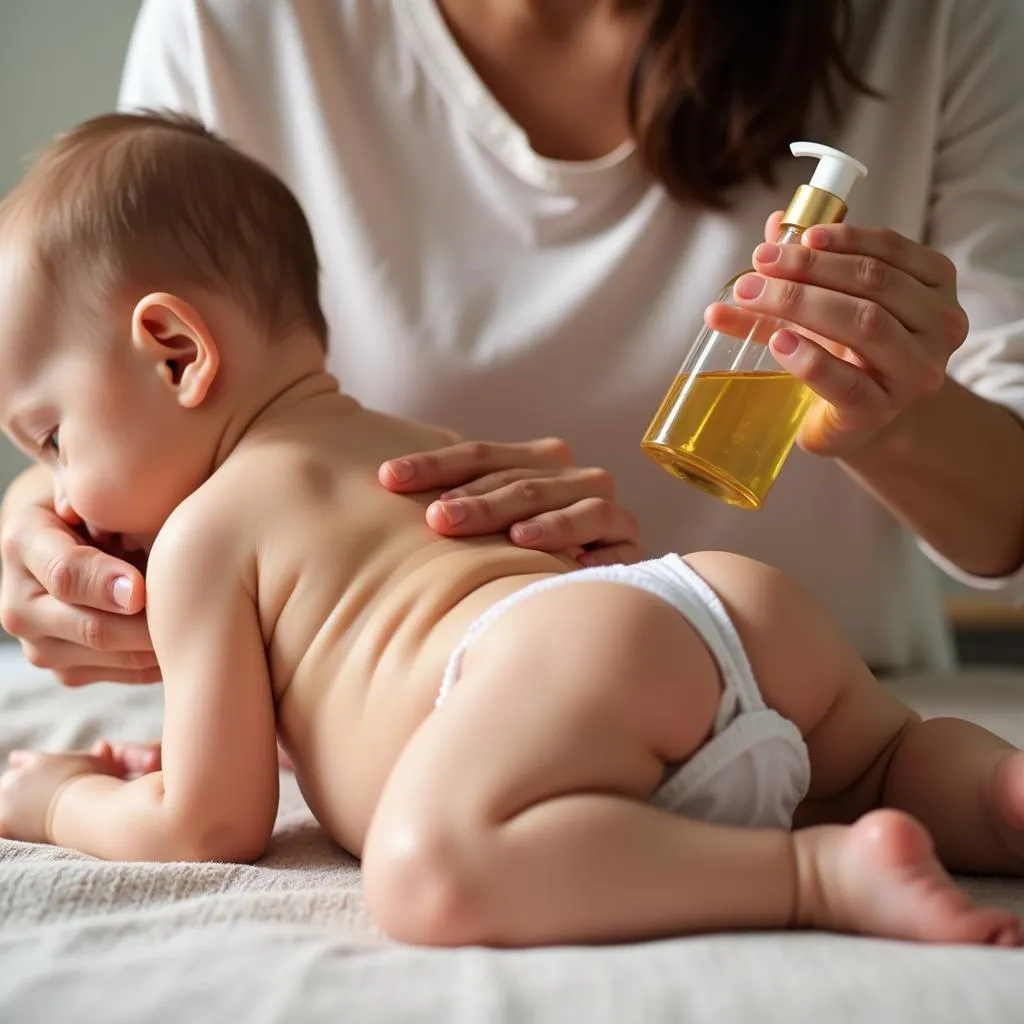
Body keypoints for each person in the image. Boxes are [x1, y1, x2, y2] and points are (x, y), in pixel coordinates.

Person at [1, 113, 1023, 950]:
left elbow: (207, 820)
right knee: (882, 760)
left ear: (176, 351)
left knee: (426, 867)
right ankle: (992, 790)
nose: (64, 500)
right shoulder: (408, 442)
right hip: (723, 599)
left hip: (557, 663)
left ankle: (810, 874)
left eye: (51, 440)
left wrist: (58, 799)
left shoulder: (201, 539)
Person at [2, 1, 1024, 701]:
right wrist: (57, 529)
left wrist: (895, 414)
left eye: (45, 444)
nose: (58, 471)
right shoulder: (240, 26)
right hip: (753, 686)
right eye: (42, 441)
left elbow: (1005, 521)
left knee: (434, 874)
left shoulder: (934, 23)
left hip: (827, 677)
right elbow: (127, 385)